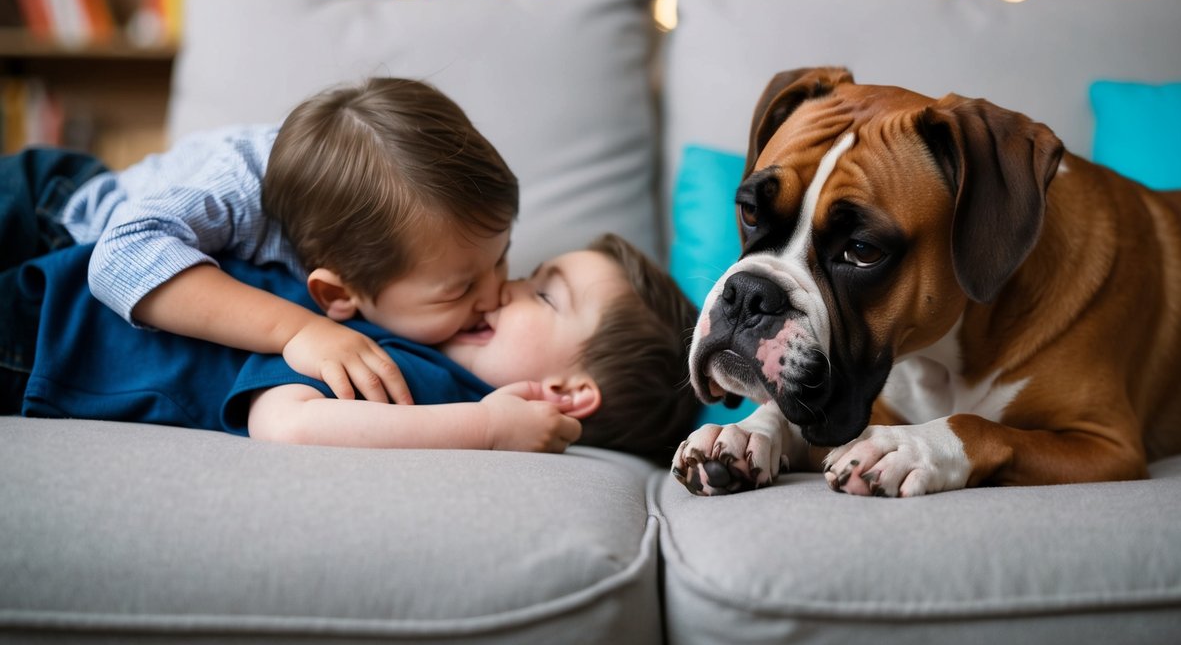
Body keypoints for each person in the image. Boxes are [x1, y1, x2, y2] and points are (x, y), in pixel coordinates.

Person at [0, 78, 517, 407]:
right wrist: (296, 331)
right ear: (334, 295)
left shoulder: (373, 225)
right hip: (45, 215)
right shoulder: (238, 185)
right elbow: (120, 257)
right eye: (461, 287)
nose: (498, 293)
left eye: (503, 258)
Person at [6, 233, 700, 460]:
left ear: (564, 394)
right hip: (74, 301)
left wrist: (491, 426)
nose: (503, 288)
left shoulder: (426, 384)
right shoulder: (422, 334)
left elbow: (289, 424)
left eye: (541, 296)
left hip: (51, 339)